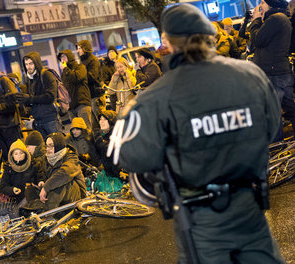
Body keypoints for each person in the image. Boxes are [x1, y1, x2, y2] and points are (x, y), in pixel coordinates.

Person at [110, 4, 284, 263]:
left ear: (167, 42)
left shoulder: (155, 98)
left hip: (200, 224)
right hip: (251, 211)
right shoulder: (251, 75)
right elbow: (271, 128)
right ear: (208, 36)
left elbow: (128, 156)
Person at [249, 0, 295, 140]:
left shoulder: (275, 19)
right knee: (289, 108)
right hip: (280, 71)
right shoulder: (280, 18)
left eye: (262, 2)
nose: (260, 6)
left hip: (273, 72)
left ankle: (277, 146)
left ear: (269, 3)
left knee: (273, 112)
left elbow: (258, 40)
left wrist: (256, 20)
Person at [30, 133, 86, 211]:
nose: (47, 149)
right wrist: (42, 182)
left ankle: (47, 215)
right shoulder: (47, 160)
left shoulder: (71, 158)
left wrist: (46, 187)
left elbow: (65, 173)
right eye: (46, 146)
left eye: (51, 146)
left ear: (58, 146)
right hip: (58, 198)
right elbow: (44, 174)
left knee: (60, 184)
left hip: (76, 196)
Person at [17, 52, 60, 139]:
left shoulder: (46, 74)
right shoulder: (29, 78)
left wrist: (30, 99)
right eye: (26, 64)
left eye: (31, 63)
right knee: (46, 148)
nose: (28, 67)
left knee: (57, 144)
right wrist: (24, 101)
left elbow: (50, 96)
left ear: (36, 63)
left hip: (50, 118)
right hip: (37, 120)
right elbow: (32, 99)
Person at [0, 139, 41, 217]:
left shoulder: (33, 165)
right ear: (11, 156)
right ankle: (15, 211)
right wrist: (12, 190)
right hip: (14, 200)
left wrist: (38, 183)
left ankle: (16, 212)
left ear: (26, 154)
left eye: (21, 153)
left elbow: (39, 179)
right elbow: (3, 187)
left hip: (30, 199)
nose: (19, 156)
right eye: (16, 154)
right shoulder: (8, 169)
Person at [57, 50, 92, 130]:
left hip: (82, 103)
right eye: (61, 57)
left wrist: (65, 69)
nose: (63, 59)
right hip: (71, 107)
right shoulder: (64, 73)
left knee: (86, 129)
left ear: (70, 57)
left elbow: (76, 78)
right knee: (75, 131)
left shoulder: (80, 67)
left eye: (64, 56)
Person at [77, 40, 105, 133]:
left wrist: (80, 77)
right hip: (89, 97)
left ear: (85, 48)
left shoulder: (93, 60)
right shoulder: (82, 60)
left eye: (80, 48)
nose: (78, 50)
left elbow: (92, 76)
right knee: (94, 126)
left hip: (96, 95)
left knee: (102, 121)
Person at [101, 46, 118, 110]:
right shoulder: (106, 66)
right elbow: (105, 80)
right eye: (109, 52)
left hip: (123, 91)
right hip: (113, 92)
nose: (111, 53)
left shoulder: (120, 62)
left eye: (112, 51)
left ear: (116, 53)